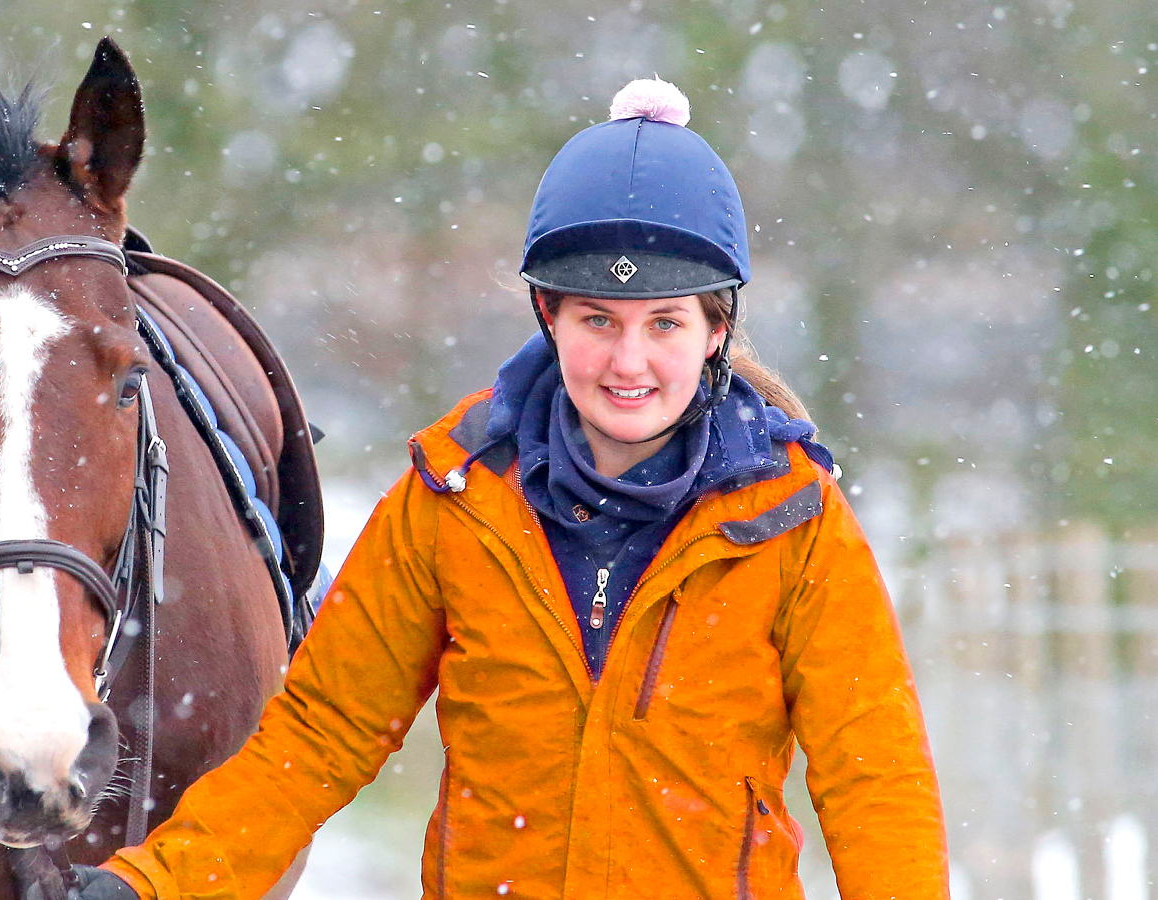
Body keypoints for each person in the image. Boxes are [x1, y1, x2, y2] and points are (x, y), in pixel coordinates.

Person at [70, 80, 946, 900]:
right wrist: (157, 883)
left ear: (717, 332)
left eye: (666, 324)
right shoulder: (453, 496)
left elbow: (874, 777)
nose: (628, 361)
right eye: (597, 320)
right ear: (548, 317)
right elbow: (321, 732)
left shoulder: (790, 519)